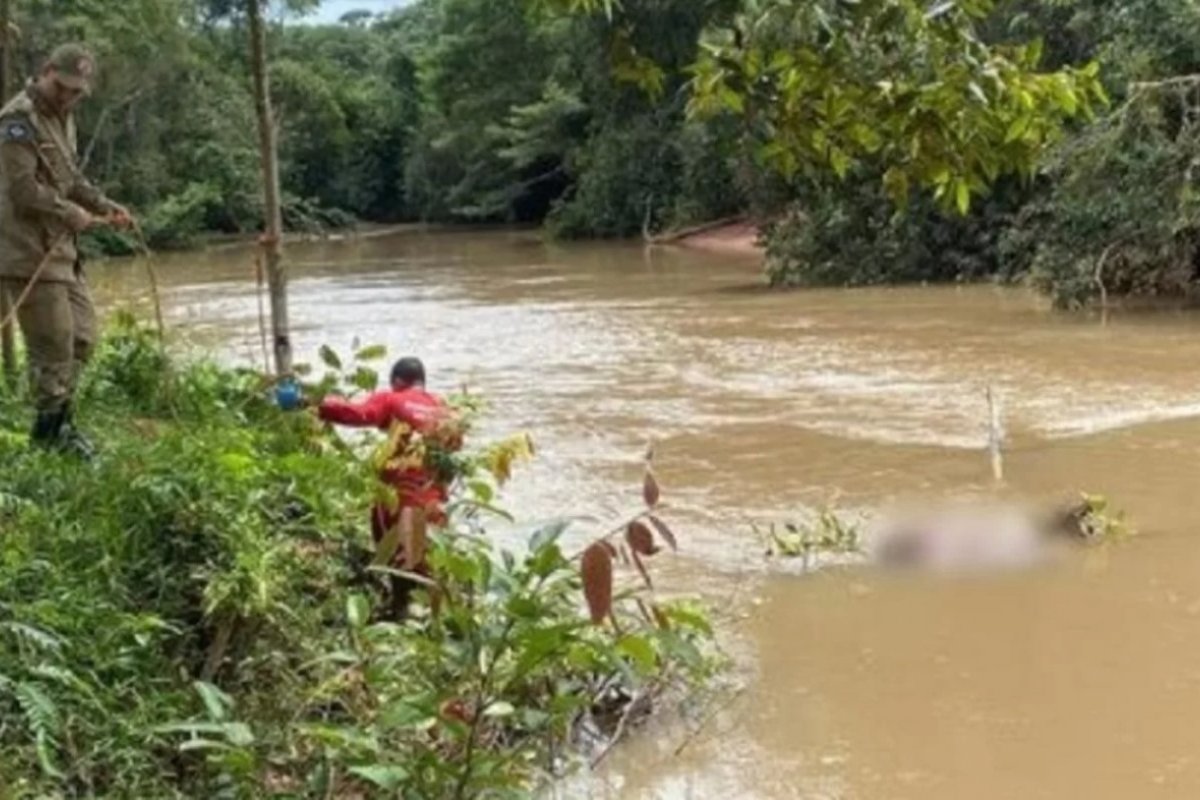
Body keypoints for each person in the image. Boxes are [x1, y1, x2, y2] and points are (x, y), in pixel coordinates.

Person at [0, 44, 132, 458]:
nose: (68, 97)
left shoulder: (64, 119)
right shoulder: (17, 121)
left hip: (62, 253)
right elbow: (23, 191)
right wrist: (68, 211)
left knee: (84, 338)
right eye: (62, 87)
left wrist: (102, 205)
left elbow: (69, 178)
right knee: (53, 346)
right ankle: (49, 436)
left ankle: (61, 422)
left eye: (77, 91)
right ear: (45, 72)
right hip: (27, 253)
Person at [317, 357, 461, 616]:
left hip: (399, 497)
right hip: (434, 500)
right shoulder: (446, 410)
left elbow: (359, 413)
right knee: (429, 564)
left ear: (397, 381)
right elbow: (454, 451)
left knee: (396, 561)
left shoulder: (392, 399)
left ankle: (400, 613)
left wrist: (317, 405)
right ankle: (432, 622)